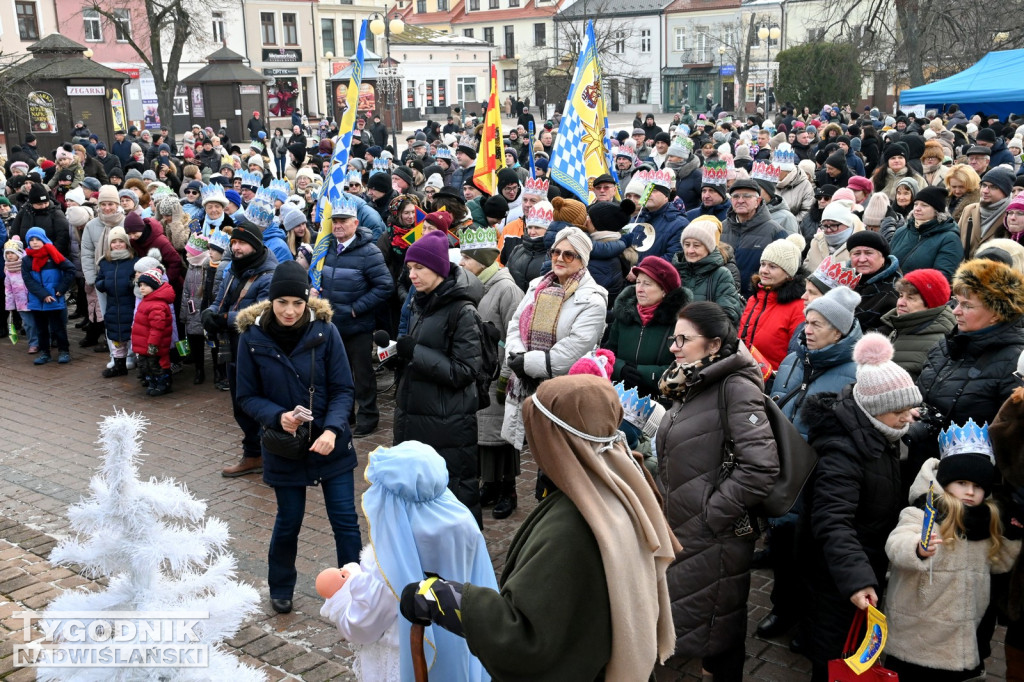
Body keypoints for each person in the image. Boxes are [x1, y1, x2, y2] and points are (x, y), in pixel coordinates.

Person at [400, 375, 678, 681]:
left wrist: (444, 598)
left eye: (537, 434)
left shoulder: (573, 525)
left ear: (556, 441)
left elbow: (525, 640)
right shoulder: (621, 486)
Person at [657, 301, 780, 681]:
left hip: (713, 532)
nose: (674, 347)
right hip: (685, 523)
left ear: (713, 345)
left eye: (684, 339)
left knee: (719, 625)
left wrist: (712, 513)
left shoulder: (735, 387)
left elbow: (760, 468)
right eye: (673, 338)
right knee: (700, 615)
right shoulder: (691, 380)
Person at [234, 260, 361, 615]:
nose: (290, 311)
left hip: (330, 444)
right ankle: (281, 586)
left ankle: (354, 590)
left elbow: (342, 389)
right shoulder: (252, 337)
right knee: (288, 520)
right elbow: (245, 396)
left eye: (297, 303)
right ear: (271, 302)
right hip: (284, 445)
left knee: (345, 521)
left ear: (307, 302)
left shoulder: (326, 332)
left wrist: (334, 430)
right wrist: (278, 417)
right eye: (282, 303)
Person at [798, 333, 922, 681]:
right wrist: (856, 580)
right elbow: (833, 522)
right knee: (834, 653)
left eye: (908, 408)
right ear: (871, 408)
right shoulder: (843, 451)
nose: (907, 418)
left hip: (857, 564)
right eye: (897, 411)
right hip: (836, 575)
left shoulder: (880, 433)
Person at [883, 422, 1020, 682]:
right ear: (946, 482)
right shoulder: (925, 513)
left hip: (962, 634)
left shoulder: (987, 522)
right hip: (918, 632)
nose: (970, 491)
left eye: (978, 486)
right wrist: (918, 549)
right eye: (962, 482)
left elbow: (1000, 562)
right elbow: (896, 543)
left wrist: (1012, 537)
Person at [392, 230, 484, 523]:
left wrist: (414, 352)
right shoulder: (422, 302)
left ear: (439, 269)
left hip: (447, 423)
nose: (413, 275)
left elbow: (465, 370)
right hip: (417, 414)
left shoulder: (462, 310)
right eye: (409, 268)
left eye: (419, 267)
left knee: (451, 498)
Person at [502, 226, 608, 455]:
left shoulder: (592, 300)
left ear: (582, 261)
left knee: (559, 459)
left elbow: (574, 349)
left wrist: (526, 363)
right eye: (555, 252)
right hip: (526, 381)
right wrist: (516, 355)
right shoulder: (537, 286)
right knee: (540, 452)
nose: (559, 258)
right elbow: (515, 325)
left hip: (564, 392)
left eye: (568, 254)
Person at [203, 222, 279, 478]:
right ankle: (253, 454)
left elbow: (263, 314)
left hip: (258, 351)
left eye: (241, 243)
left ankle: (273, 458)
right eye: (234, 242)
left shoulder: (269, 275)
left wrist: (224, 318)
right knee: (240, 405)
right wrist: (211, 312)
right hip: (234, 347)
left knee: (259, 406)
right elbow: (220, 299)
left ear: (255, 245)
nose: (235, 247)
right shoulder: (235, 269)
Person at [459, 226, 524, 519]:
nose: (461, 263)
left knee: (501, 434)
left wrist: (507, 373)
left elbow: (517, 332)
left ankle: (507, 489)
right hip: (480, 372)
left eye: (467, 258)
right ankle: (490, 483)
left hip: (500, 372)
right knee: (483, 434)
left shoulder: (506, 288)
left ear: (482, 260)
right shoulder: (474, 285)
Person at [314, 198, 393, 438]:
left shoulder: (369, 252)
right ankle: (344, 415)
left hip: (357, 325)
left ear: (355, 223)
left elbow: (385, 285)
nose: (338, 225)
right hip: (331, 325)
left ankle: (368, 417)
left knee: (362, 375)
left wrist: (356, 308)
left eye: (343, 221)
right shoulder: (325, 248)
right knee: (338, 374)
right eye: (335, 221)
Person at [604, 255, 689, 399]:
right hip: (618, 395)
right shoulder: (625, 315)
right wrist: (620, 369)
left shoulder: (679, 323)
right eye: (638, 282)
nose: (639, 289)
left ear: (664, 290)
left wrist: (642, 373)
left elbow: (683, 367)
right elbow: (607, 353)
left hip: (658, 400)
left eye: (647, 284)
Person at [738, 235, 808, 371]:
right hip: (745, 373)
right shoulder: (755, 299)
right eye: (763, 264)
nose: (764, 270)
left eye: (772, 266)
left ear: (788, 273)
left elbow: (795, 354)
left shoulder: (799, 306)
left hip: (773, 381)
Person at [878, 269, 955, 380]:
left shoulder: (939, 344)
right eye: (900, 295)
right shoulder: (899, 326)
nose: (900, 303)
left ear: (931, 305)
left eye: (910, 298)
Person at [720, 178, 788, 297]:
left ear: (758, 201)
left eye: (747, 196)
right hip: (724, 299)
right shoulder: (721, 228)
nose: (740, 200)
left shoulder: (775, 232)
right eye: (735, 196)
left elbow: (784, 274)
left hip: (758, 300)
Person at [22, 227, 75, 365]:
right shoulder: (27, 260)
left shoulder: (54, 255)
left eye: (38, 239)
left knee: (58, 327)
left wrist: (61, 289)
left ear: (44, 239)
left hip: (54, 299)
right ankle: (45, 353)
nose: (34, 242)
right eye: (31, 240)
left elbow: (70, 270)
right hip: (37, 300)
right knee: (41, 329)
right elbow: (28, 280)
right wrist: (43, 295)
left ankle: (64, 351)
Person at [674, 217, 743, 323]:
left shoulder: (722, 274)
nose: (690, 250)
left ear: (709, 248)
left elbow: (729, 314)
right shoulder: (674, 271)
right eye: (687, 245)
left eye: (696, 245)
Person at [889, 185, 964, 280]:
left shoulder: (949, 238)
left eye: (924, 205)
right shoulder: (902, 231)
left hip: (920, 293)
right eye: (916, 204)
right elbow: (888, 262)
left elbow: (943, 277)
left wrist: (909, 290)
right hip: (891, 291)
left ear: (937, 211)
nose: (917, 208)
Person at [94, 227, 138, 378]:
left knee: (134, 334)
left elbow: (138, 280)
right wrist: (103, 284)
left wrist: (131, 283)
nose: (118, 244)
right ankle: (119, 364)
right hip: (113, 304)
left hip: (130, 304)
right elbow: (98, 280)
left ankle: (140, 363)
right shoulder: (106, 262)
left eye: (121, 241)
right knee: (116, 335)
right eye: (114, 242)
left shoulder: (134, 261)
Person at [131, 268, 176, 395]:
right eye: (140, 285)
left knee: (158, 365)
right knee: (147, 366)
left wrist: (153, 344)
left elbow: (157, 328)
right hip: (145, 342)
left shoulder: (157, 305)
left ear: (154, 286)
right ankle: (153, 383)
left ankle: (163, 384)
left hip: (155, 344)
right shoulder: (147, 300)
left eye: (145, 285)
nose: (142, 288)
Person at [959, 166, 1014, 259]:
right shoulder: (969, 210)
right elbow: (956, 243)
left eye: (993, 187)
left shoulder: (1012, 215)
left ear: (1006, 191)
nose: (985, 191)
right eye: (984, 185)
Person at [505, 202, 553, 291]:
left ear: (548, 229)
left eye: (538, 228)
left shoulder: (553, 254)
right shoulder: (517, 250)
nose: (532, 232)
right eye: (530, 227)